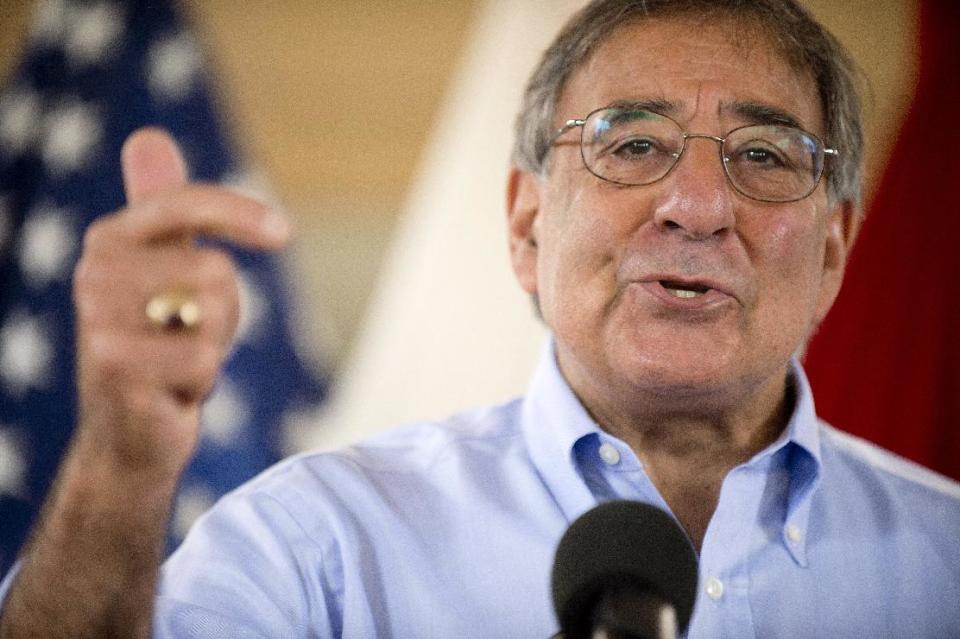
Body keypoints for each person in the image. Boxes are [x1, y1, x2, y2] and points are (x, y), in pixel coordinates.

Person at [1, 0, 959, 636]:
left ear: (834, 247)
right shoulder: (321, 543)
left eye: (762, 156)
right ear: (527, 223)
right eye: (632, 143)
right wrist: (122, 457)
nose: (698, 203)